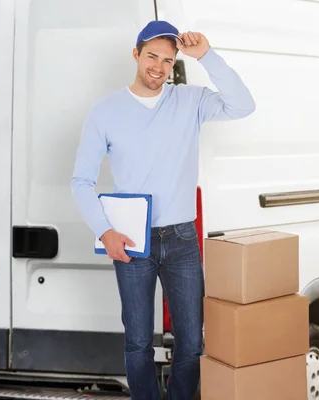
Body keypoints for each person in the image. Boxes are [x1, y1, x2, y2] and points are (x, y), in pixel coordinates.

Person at [70, 20, 255, 400]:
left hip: (182, 238)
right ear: (136, 54)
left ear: (174, 63)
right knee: (138, 341)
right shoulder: (105, 112)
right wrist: (105, 231)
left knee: (191, 341)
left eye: (168, 60)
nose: (159, 66)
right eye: (152, 56)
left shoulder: (190, 101)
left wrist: (206, 55)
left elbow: (243, 104)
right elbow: (81, 181)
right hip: (131, 240)